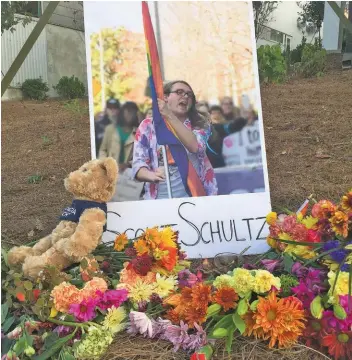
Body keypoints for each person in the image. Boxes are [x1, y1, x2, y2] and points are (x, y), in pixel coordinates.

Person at [132, 80, 218, 200]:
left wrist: (169, 115)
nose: (185, 96)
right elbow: (138, 163)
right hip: (159, 198)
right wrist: (151, 175)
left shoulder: (200, 124)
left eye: (189, 94)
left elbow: (195, 146)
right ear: (165, 97)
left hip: (195, 195)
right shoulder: (147, 126)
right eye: (179, 92)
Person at [99, 101, 139, 172]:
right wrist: (104, 164)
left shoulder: (139, 133)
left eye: (132, 112)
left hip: (129, 173)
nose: (129, 115)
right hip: (109, 171)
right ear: (122, 113)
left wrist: (128, 164)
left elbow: (141, 156)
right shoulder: (110, 129)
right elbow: (103, 150)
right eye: (127, 112)